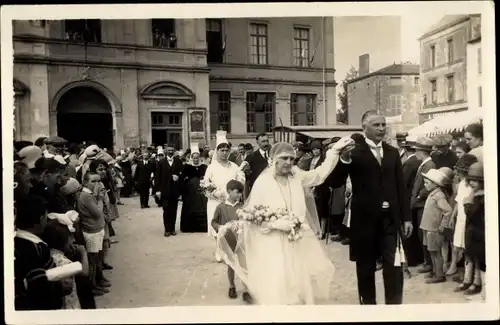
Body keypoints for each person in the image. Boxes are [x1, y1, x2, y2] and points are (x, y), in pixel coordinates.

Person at [218, 138, 354, 305]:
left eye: (292, 159)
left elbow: (319, 175)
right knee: (278, 285)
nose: (289, 162)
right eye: (285, 158)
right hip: (272, 241)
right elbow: (252, 217)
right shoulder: (263, 183)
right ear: (274, 160)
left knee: (298, 283)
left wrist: (334, 153)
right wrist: (275, 224)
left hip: (296, 240)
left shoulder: (297, 177)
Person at [326, 110, 412, 305]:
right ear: (364, 128)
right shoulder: (353, 152)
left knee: (394, 266)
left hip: (390, 220)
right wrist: (344, 161)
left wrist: (406, 218)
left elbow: (400, 186)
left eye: (383, 124)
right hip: (364, 221)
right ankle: (368, 308)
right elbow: (334, 182)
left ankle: (394, 308)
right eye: (376, 125)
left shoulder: (392, 152)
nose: (381, 128)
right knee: (365, 267)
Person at [14, 194, 72, 310]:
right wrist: (61, 288)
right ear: (41, 220)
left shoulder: (16, 241)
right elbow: (40, 285)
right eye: (46, 217)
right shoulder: (37, 248)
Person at [205, 131, 246, 261]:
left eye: (226, 150)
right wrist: (214, 192)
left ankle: (229, 250)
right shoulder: (211, 168)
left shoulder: (234, 166)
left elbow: (240, 181)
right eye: (221, 150)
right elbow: (206, 183)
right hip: (215, 201)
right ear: (217, 152)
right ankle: (219, 250)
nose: (224, 153)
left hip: (230, 201)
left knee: (230, 225)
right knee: (217, 225)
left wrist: (233, 192)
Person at [211, 180, 252, 302]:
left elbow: (248, 220)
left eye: (241, 193)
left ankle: (247, 289)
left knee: (244, 264)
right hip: (228, 239)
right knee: (231, 264)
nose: (240, 195)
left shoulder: (242, 206)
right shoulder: (221, 207)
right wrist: (219, 227)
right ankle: (232, 286)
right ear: (229, 192)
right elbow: (213, 222)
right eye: (237, 192)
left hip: (241, 240)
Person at [419, 167, 454, 283]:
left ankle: (439, 275)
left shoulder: (439, 196)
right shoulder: (433, 193)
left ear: (435, 184)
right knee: (432, 252)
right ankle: (435, 272)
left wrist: (442, 225)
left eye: (427, 183)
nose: (425, 185)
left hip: (434, 229)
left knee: (435, 252)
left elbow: (448, 211)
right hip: (429, 228)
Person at [77, 172, 108, 296]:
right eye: (93, 181)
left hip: (97, 229)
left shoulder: (90, 195)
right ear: (85, 182)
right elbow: (97, 213)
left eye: (98, 181)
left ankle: (98, 281)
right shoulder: (86, 196)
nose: (97, 184)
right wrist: (100, 199)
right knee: (92, 260)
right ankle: (92, 285)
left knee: (98, 257)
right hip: (91, 231)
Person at [447, 154, 478, 278]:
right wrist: (452, 217)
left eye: (460, 171)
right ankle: (455, 267)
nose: (457, 173)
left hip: (468, 220)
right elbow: (458, 201)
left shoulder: (473, 186)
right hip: (460, 218)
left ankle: (467, 275)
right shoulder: (461, 184)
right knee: (456, 245)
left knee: (468, 247)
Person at [410, 137, 436, 275]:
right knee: (422, 234)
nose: (416, 153)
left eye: (417, 151)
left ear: (422, 151)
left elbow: (430, 184)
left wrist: (420, 195)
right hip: (420, 203)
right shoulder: (424, 164)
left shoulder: (429, 165)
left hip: (423, 203)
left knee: (424, 234)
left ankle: (429, 264)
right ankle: (427, 262)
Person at [461, 162, 485, 300]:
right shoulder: (475, 194)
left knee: (478, 258)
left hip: (478, 231)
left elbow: (470, 212)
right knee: (471, 255)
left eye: (476, 180)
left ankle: (477, 282)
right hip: (472, 230)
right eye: (470, 180)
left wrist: (466, 202)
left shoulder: (480, 198)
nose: (472, 182)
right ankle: (471, 280)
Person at [400, 136, 423, 269]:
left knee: (410, 231)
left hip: (409, 199)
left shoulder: (409, 163)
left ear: (405, 149)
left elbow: (403, 182)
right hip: (415, 198)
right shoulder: (417, 161)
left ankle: (413, 258)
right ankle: (418, 257)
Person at [155, 144, 184, 237]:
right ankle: (167, 229)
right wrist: (158, 190)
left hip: (175, 190)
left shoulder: (178, 162)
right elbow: (157, 177)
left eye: (172, 150)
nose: (170, 152)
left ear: (174, 151)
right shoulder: (161, 162)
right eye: (169, 150)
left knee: (174, 210)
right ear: (165, 151)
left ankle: (172, 229)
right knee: (166, 210)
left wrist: (178, 177)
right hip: (165, 190)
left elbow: (183, 175)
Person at [179, 150, 208, 233]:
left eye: (197, 158)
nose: (196, 160)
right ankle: (189, 227)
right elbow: (182, 180)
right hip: (190, 194)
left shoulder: (204, 167)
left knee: (201, 208)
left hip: (200, 193)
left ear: (199, 158)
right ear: (191, 158)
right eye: (194, 158)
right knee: (189, 208)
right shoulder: (187, 167)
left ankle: (202, 228)